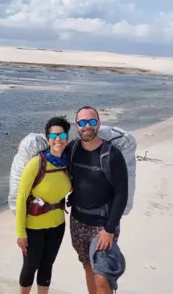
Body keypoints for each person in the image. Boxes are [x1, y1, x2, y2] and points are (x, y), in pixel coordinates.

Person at [65, 106, 128, 294]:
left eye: (92, 122)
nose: (87, 127)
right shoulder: (73, 149)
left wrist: (109, 229)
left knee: (102, 277)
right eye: (82, 123)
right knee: (88, 268)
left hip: (103, 226)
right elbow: (52, 157)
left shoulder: (112, 154)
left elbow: (121, 194)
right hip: (77, 221)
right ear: (76, 126)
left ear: (98, 124)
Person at [15, 116, 73, 294]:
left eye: (62, 136)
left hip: (57, 226)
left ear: (67, 139)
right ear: (48, 138)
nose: (58, 139)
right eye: (54, 135)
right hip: (33, 228)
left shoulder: (68, 164)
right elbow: (21, 198)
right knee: (30, 267)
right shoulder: (36, 164)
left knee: (47, 266)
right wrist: (20, 233)